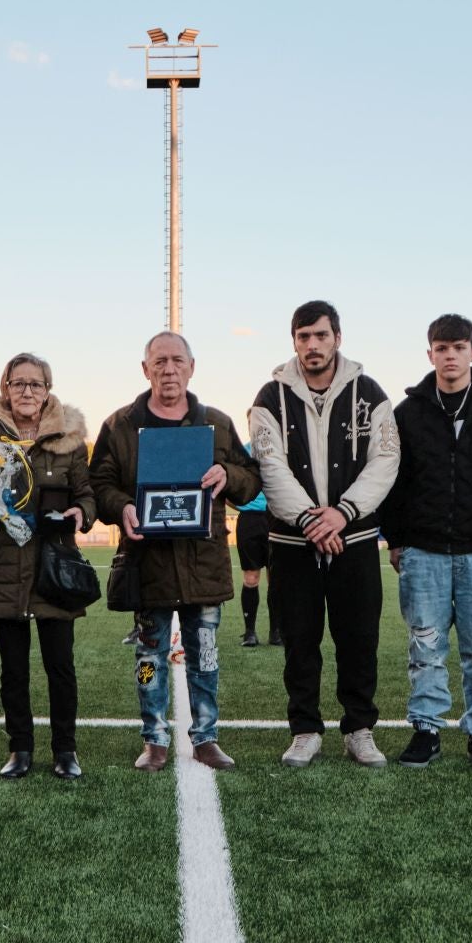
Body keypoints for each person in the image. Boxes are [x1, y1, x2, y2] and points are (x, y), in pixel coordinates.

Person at [90, 331, 260, 771]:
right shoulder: (120, 425)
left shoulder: (218, 423)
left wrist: (228, 473)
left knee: (205, 656)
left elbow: (251, 477)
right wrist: (122, 506)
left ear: (192, 366)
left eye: (177, 361)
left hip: (203, 564)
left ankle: (206, 737)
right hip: (148, 567)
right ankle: (154, 739)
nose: (169, 370)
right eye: (160, 362)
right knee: (149, 658)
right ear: (145, 369)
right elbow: (100, 484)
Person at [379, 313, 472, 771]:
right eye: (441, 348)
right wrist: (397, 538)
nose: (450, 355)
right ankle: (426, 729)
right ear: (430, 354)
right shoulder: (407, 413)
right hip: (424, 551)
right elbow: (393, 479)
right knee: (425, 646)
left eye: (458, 347)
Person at [247, 299, 399, 768]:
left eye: (321, 335)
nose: (312, 345)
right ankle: (305, 730)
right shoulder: (269, 397)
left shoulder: (370, 393)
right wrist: (312, 520)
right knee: (299, 640)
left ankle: (359, 729)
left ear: (338, 338)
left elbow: (386, 460)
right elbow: (270, 466)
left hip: (352, 542)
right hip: (293, 545)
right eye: (303, 337)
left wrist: (343, 513)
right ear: (294, 341)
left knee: (359, 639)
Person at [0, 352, 95, 779]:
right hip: (3, 569)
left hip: (54, 570)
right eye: (19, 384)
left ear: (48, 390)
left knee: (61, 667)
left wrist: (81, 515)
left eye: (36, 384)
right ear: (6, 388)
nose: (27, 391)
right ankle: (19, 749)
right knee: (12, 670)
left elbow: (86, 495)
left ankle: (65, 750)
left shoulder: (69, 442)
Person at [232, 469, 277, 647]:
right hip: (249, 521)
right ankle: (250, 632)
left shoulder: (277, 450)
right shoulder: (243, 456)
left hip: (274, 517)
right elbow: (229, 491)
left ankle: (276, 632)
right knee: (251, 577)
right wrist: (245, 506)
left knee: (275, 577)